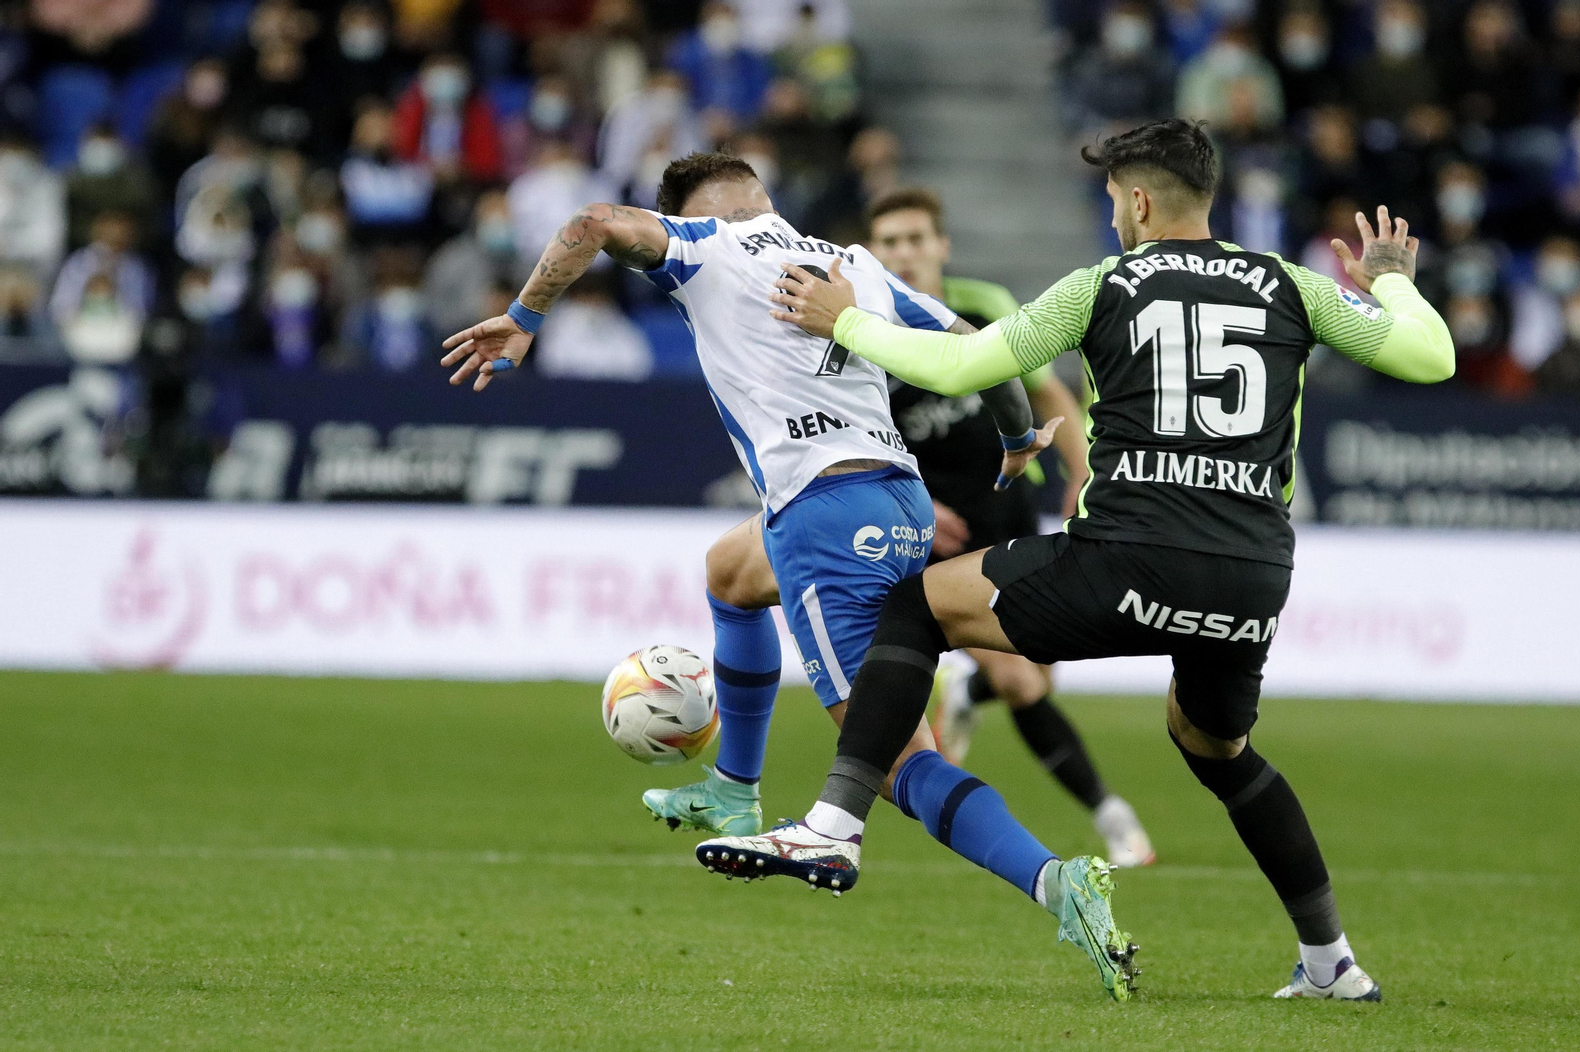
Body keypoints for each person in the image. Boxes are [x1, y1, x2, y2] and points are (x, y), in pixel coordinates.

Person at [699, 119, 1455, 1003]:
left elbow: (962, 366)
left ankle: (832, 825)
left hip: (1128, 558)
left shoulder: (1104, 285)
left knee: (916, 606)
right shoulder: (1290, 287)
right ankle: (1332, 962)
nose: (1112, 217)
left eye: (1111, 200)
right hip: (1250, 580)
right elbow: (1431, 356)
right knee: (1217, 747)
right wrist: (1393, 284)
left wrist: (850, 319)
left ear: (1137, 200)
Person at [437, 153, 1094, 929]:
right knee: (729, 573)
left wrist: (525, 318)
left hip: (825, 519)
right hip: (899, 498)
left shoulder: (700, 245)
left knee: (895, 761)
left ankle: (1055, 883)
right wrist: (1018, 438)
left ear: (693, 208)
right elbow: (982, 349)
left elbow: (590, 224)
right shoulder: (852, 264)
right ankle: (735, 789)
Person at [864, 186, 1155, 867]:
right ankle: (1114, 819)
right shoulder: (868, 328)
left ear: (942, 246)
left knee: (1039, 674)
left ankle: (966, 688)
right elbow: (854, 440)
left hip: (1014, 519)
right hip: (940, 542)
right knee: (1024, 683)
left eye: (915, 239)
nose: (904, 253)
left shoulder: (984, 306)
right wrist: (905, 504)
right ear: (873, 254)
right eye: (889, 242)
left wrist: (1085, 472)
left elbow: (1048, 392)